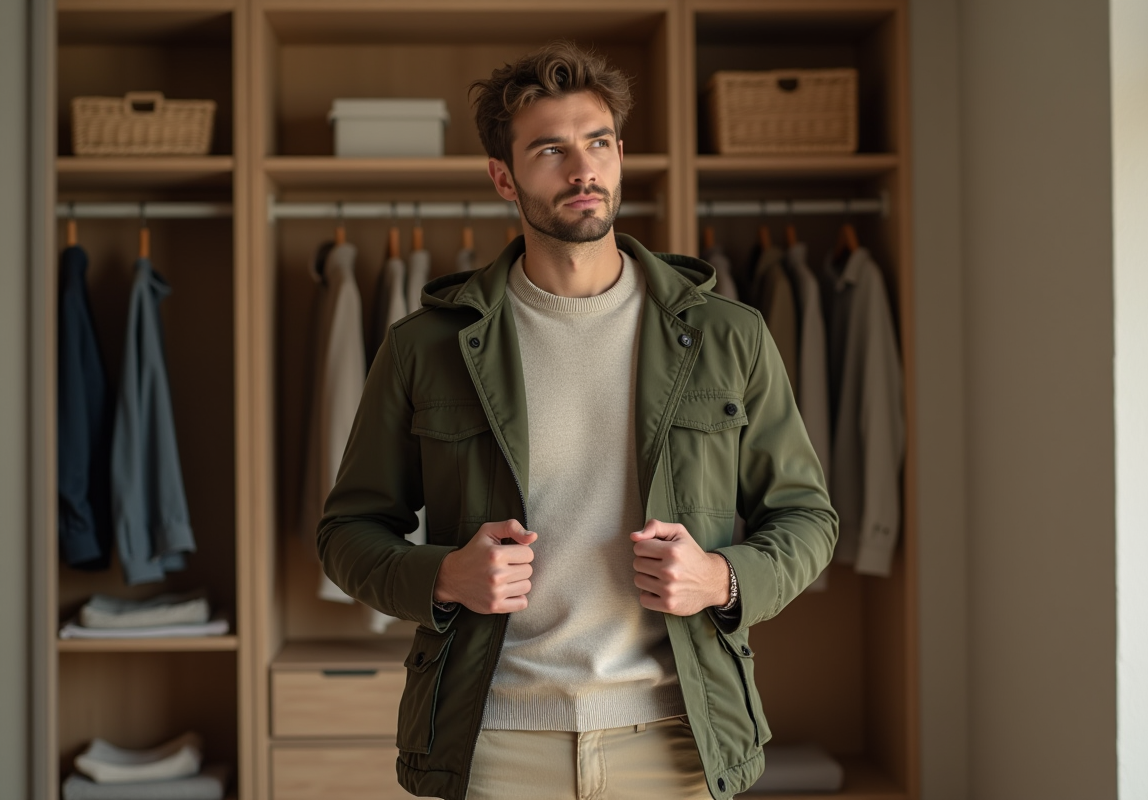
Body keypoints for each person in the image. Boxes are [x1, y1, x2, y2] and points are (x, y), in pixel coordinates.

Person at [316, 40, 837, 800]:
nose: (582, 169)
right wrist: (445, 576)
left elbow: (807, 519)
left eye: (598, 143)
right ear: (504, 177)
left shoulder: (729, 335)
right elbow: (346, 533)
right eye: (550, 150)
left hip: (677, 738)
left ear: (621, 155)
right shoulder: (425, 346)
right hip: (493, 738)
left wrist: (722, 578)